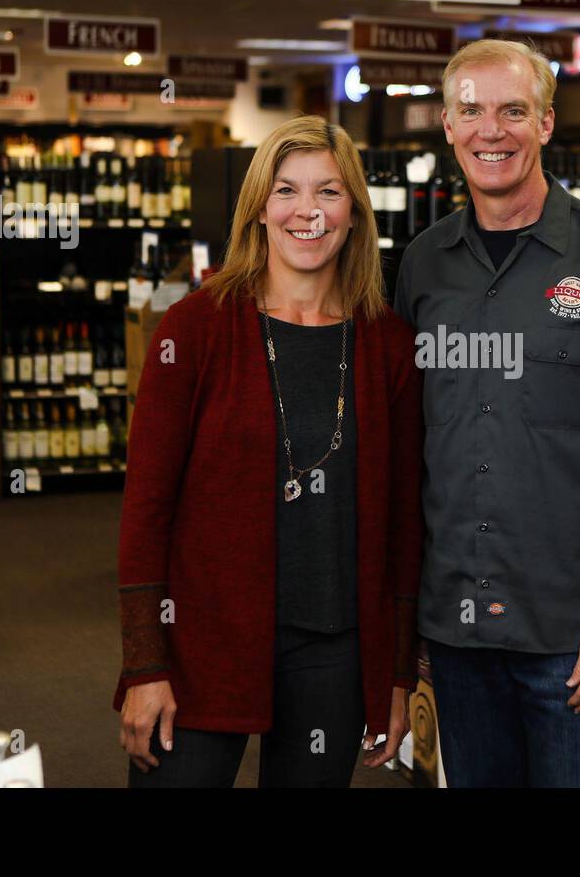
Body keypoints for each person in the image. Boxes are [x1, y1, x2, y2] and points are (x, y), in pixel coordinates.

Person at [394, 39, 580, 787]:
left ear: (547, 123)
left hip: (578, 638)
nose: (494, 131)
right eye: (472, 112)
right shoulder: (421, 265)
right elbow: (405, 442)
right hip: (456, 630)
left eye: (514, 110)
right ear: (448, 128)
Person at [115, 115, 424, 787]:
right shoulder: (194, 328)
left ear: (356, 213)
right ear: (259, 209)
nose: (306, 211)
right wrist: (144, 666)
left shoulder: (388, 345)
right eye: (286, 191)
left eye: (329, 192)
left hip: (333, 656)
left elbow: (404, 527)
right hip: (203, 642)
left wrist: (397, 676)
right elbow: (146, 509)